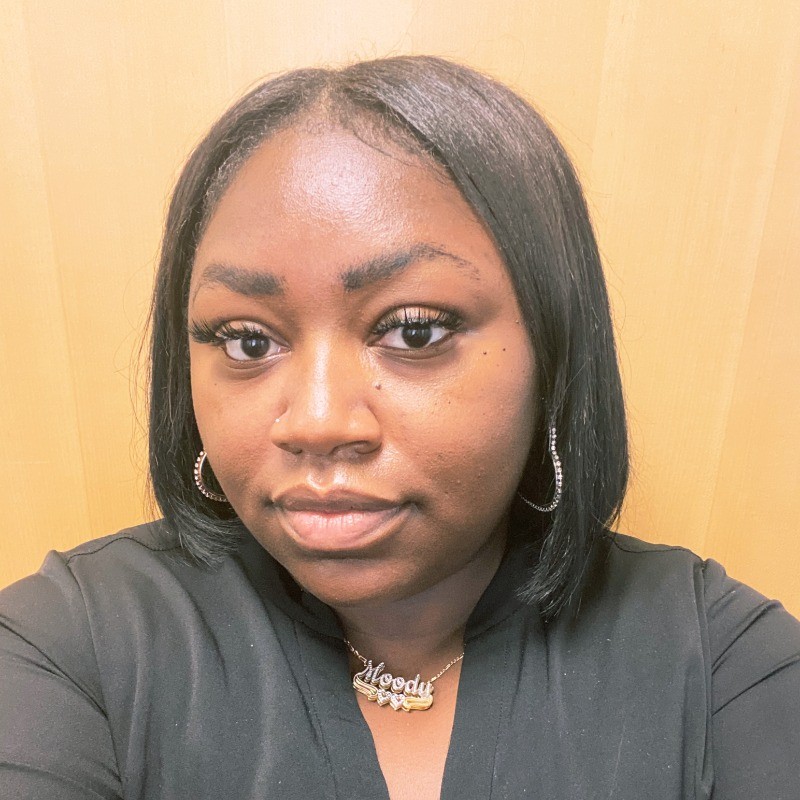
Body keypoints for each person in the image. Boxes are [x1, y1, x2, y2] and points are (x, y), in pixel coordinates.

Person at [0, 55, 798, 800]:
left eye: (413, 331)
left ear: (553, 358)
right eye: (247, 341)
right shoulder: (69, 648)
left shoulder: (723, 663)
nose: (315, 421)